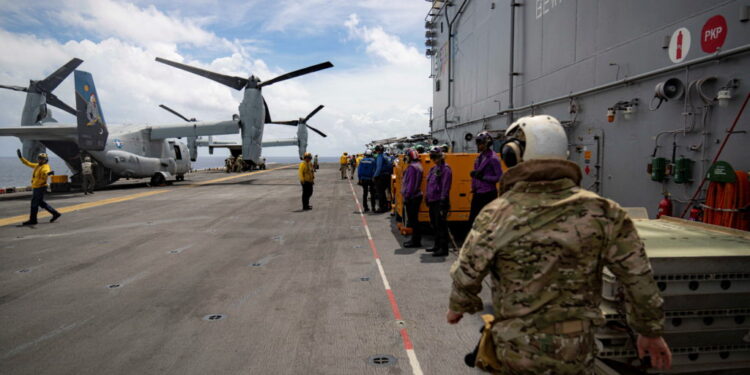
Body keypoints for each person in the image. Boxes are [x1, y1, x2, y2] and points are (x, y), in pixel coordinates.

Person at [446, 115, 671, 374]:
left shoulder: (496, 213)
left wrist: (459, 306)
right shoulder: (603, 211)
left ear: (513, 155)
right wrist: (650, 331)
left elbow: (468, 270)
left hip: (517, 349)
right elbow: (638, 276)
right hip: (577, 350)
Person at [17, 150, 61, 225]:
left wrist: (48, 173)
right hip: (36, 187)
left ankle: (33, 220)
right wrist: (21, 157)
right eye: (39, 158)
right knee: (40, 202)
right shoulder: (37, 165)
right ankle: (55, 213)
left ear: (46, 160)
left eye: (42, 158)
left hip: (40, 187)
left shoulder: (45, 166)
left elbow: (45, 172)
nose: (40, 159)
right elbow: (28, 163)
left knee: (34, 203)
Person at [468, 131, 503, 227]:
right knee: (473, 221)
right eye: (477, 143)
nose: (478, 145)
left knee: (488, 222)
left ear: (487, 143)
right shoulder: (479, 157)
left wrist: (483, 177)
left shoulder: (493, 158)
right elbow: (477, 174)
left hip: (488, 194)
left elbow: (499, 177)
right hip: (478, 193)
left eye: (480, 143)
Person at [425, 146, 452, 256]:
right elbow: (429, 184)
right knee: (434, 224)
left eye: (435, 157)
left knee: (441, 225)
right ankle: (436, 245)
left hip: (440, 201)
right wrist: (427, 196)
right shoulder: (434, 169)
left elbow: (445, 186)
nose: (433, 159)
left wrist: (443, 201)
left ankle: (443, 248)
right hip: (432, 200)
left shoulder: (446, 169)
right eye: (432, 157)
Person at [401, 149, 424, 247]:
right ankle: (416, 240)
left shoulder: (411, 168)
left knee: (413, 220)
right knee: (415, 220)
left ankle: (415, 241)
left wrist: (407, 196)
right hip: (417, 195)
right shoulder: (419, 166)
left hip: (412, 197)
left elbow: (410, 184)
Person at [372, 145, 392, 213]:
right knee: (386, 192)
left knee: (380, 192)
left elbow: (379, 167)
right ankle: (387, 206)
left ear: (377, 150)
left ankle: (382, 208)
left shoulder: (380, 156)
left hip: (381, 176)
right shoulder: (386, 156)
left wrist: (375, 176)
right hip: (387, 176)